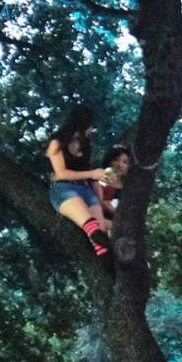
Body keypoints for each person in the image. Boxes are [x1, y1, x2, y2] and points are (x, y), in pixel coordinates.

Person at [45, 104, 118, 258]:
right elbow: (61, 174)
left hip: (86, 189)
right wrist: (92, 173)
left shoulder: (86, 145)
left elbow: (91, 178)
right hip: (65, 189)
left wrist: (101, 201)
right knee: (93, 228)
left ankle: (111, 267)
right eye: (90, 125)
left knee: (101, 236)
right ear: (82, 124)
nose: (91, 130)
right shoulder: (56, 143)